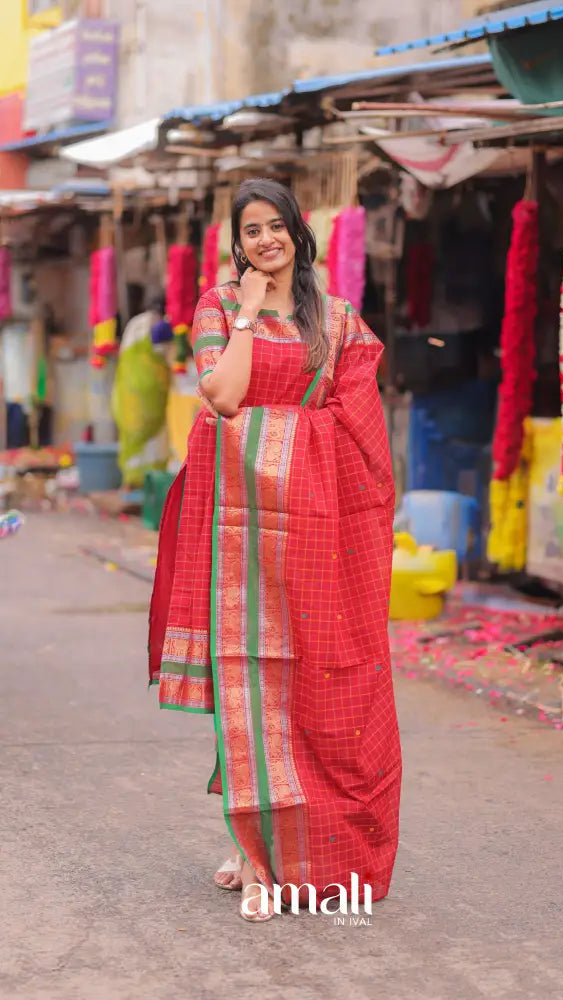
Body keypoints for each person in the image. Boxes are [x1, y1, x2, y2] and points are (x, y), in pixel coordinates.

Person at [148, 178, 402, 922]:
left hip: (318, 526)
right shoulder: (219, 308)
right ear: (237, 244)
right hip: (235, 526)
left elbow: (358, 427)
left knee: (306, 684)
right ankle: (258, 861)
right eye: (251, 231)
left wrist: (282, 433)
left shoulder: (342, 322)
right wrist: (252, 316)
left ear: (299, 232)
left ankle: (268, 842)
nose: (265, 241)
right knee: (248, 680)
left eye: (276, 227)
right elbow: (223, 398)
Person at [112, 294, 173, 488]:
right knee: (152, 440)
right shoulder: (158, 326)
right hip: (147, 394)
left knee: (130, 439)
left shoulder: (135, 323)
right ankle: (149, 486)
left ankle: (129, 484)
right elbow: (163, 351)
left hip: (125, 391)